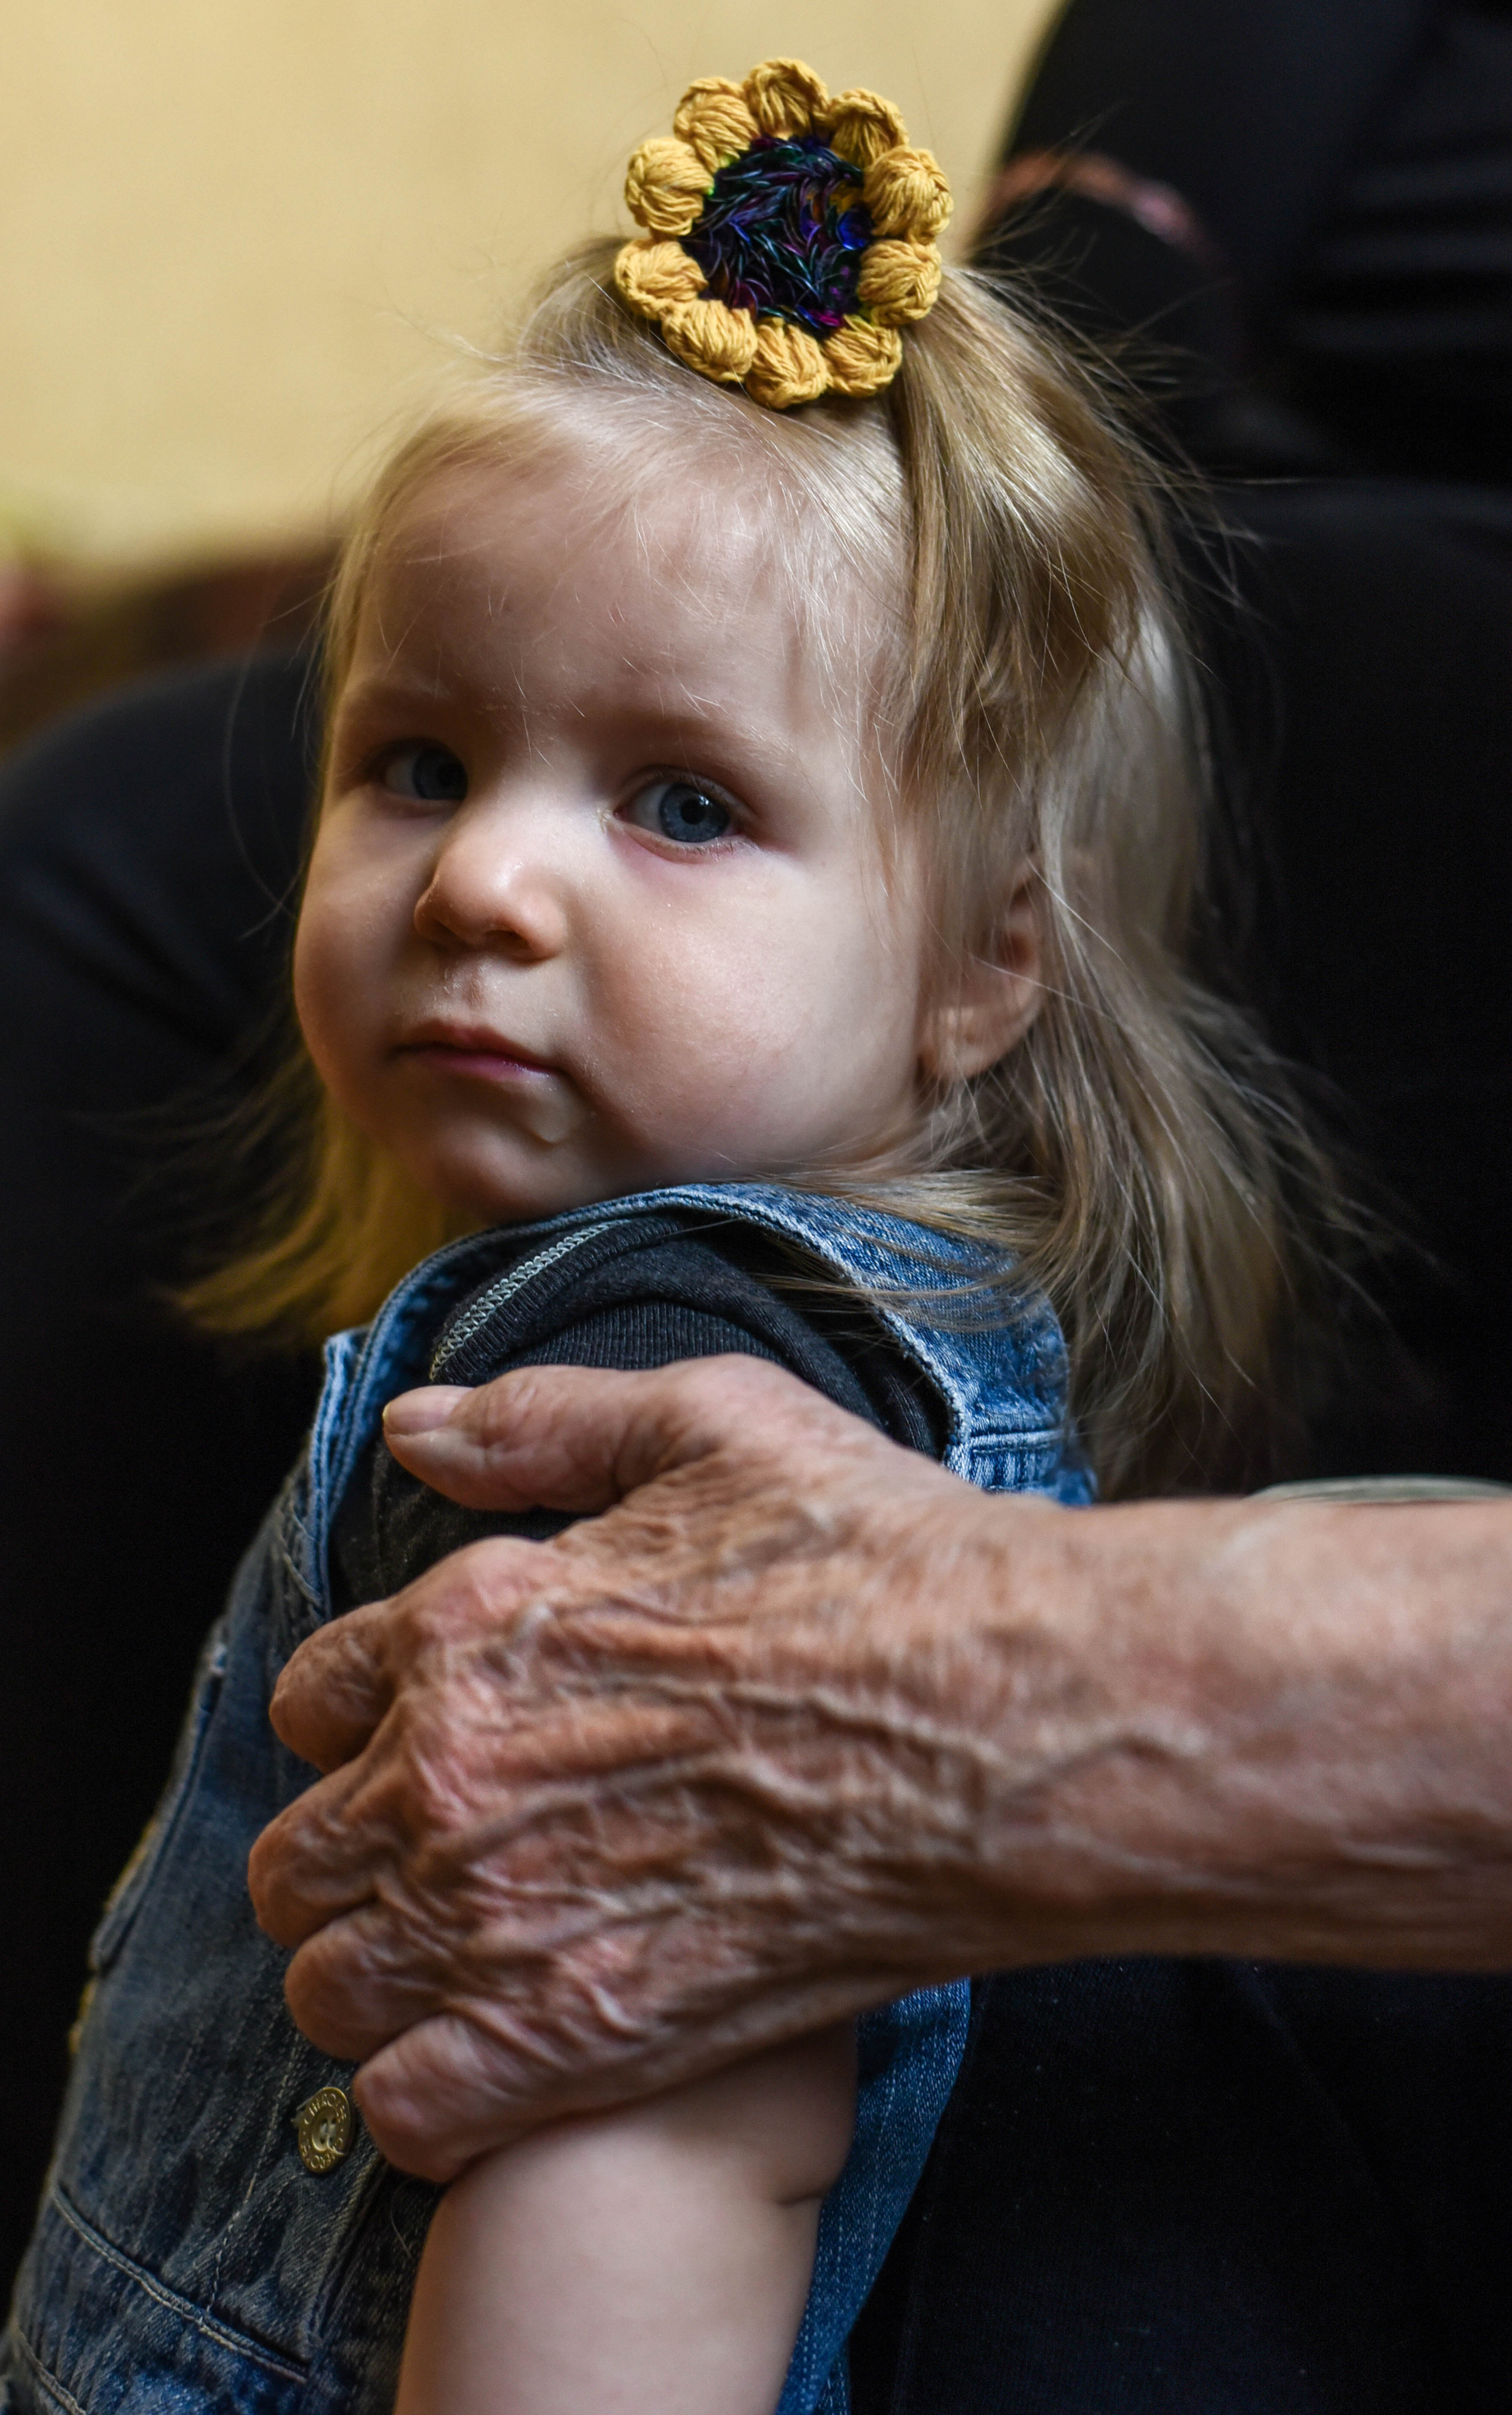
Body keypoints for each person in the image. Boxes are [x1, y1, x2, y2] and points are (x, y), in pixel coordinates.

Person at [3, 57, 1334, 2415]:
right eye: (416, 758)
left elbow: (656, 2125)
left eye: (683, 801)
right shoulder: (834, 1326)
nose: (488, 880)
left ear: (987, 964)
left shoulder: (663, 1361)